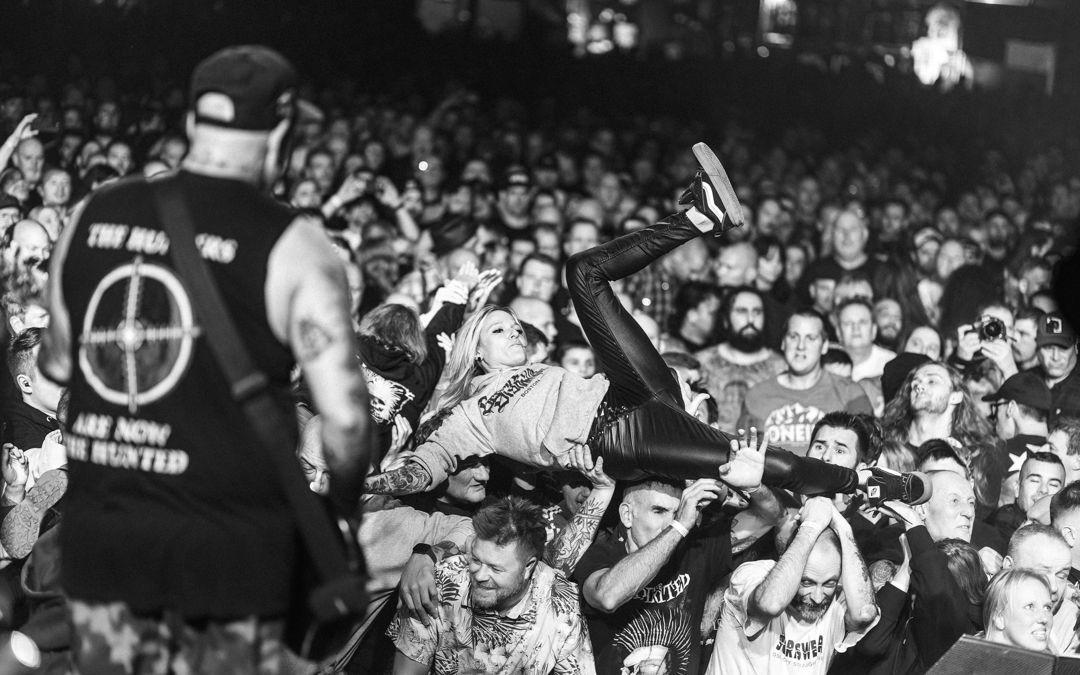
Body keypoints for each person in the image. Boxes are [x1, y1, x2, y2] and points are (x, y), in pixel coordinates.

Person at [37, 46, 371, 672]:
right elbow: (347, 424)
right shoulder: (296, 247)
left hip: (107, 550)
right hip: (227, 565)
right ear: (280, 133)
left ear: (192, 123)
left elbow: (56, 362)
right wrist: (343, 506)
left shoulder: (93, 213)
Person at [364, 159, 926, 506]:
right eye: (499, 329)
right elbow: (423, 468)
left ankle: (700, 214)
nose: (515, 331)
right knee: (753, 462)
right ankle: (869, 484)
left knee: (582, 272)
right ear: (475, 352)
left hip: (625, 391)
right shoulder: (469, 417)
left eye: (516, 325)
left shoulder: (537, 367)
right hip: (618, 441)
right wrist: (369, 482)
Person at [388, 496, 596, 675]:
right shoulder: (442, 582)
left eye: (496, 569)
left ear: (528, 567)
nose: (479, 575)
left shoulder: (563, 606)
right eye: (476, 560)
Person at [574, 476, 730, 675]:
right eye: (659, 511)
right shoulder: (601, 553)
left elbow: (766, 518)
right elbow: (607, 597)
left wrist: (751, 488)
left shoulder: (693, 550)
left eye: (676, 513)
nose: (669, 523)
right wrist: (679, 525)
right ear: (627, 515)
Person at [707, 496, 878, 674]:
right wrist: (811, 526)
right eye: (807, 582)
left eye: (829, 583)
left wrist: (843, 529)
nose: (818, 597)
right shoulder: (752, 574)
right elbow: (769, 604)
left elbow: (864, 613)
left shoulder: (837, 600)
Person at [741, 310, 873, 456]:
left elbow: (868, 455)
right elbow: (742, 455)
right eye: (793, 337)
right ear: (783, 342)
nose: (801, 346)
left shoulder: (850, 393)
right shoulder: (757, 395)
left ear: (824, 346)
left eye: (810, 338)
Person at [695, 287, 785, 431]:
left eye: (757, 312)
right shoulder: (701, 363)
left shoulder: (782, 367)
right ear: (725, 320)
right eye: (742, 311)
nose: (751, 319)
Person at [1000, 523, 1077, 654]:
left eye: (1062, 575)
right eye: (1040, 574)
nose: (1053, 587)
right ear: (1009, 568)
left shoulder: (1073, 623)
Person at [980, 568, 1054, 653]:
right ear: (999, 617)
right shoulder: (968, 662)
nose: (1044, 619)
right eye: (1029, 607)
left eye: (1047, 608)